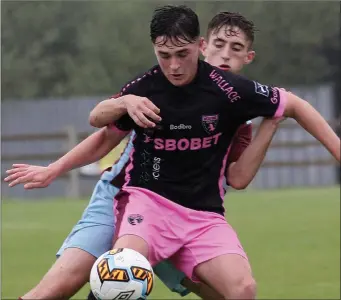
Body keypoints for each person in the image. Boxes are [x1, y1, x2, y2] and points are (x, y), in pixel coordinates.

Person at [4, 10, 307, 300]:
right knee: (59, 290)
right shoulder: (157, 87)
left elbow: (238, 178)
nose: (225, 55)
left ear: (248, 58)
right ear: (202, 47)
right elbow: (102, 128)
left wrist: (273, 121)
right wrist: (55, 168)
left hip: (186, 219)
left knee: (231, 293)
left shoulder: (237, 117)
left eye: (235, 48)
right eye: (218, 45)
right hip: (124, 203)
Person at [88, 5, 340, 300]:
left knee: (243, 290)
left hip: (201, 215)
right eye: (165, 56)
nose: (174, 66)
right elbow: (99, 122)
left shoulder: (233, 93)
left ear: (199, 46)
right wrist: (124, 103)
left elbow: (292, 106)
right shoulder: (147, 86)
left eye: (182, 54)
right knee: (122, 272)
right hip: (147, 204)